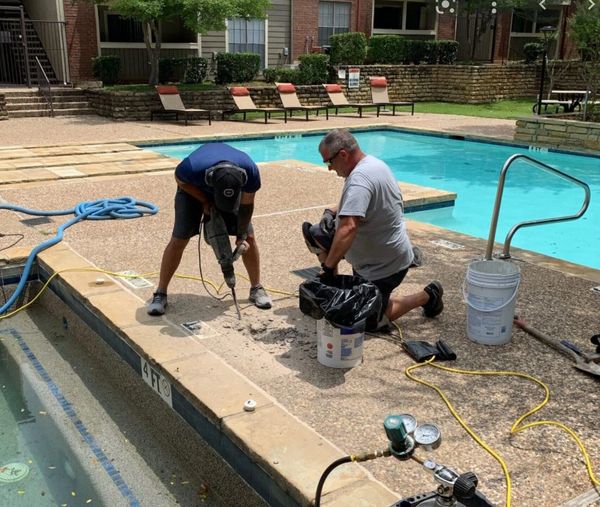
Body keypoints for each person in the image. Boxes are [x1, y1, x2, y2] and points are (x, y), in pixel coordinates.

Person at [302, 129, 442, 330]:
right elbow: (356, 203)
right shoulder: (372, 165)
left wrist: (328, 267)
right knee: (314, 233)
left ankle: (428, 295)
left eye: (329, 162)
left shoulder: (360, 180)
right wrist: (330, 211)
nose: (329, 168)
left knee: (367, 321)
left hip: (382, 266)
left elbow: (349, 227)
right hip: (375, 252)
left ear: (343, 155)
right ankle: (336, 288)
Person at [147, 142, 272, 315]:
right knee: (179, 239)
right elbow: (180, 180)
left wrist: (241, 234)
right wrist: (205, 201)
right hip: (192, 191)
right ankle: (160, 293)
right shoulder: (191, 169)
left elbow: (246, 206)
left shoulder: (250, 172)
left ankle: (256, 288)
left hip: (228, 191)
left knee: (249, 237)